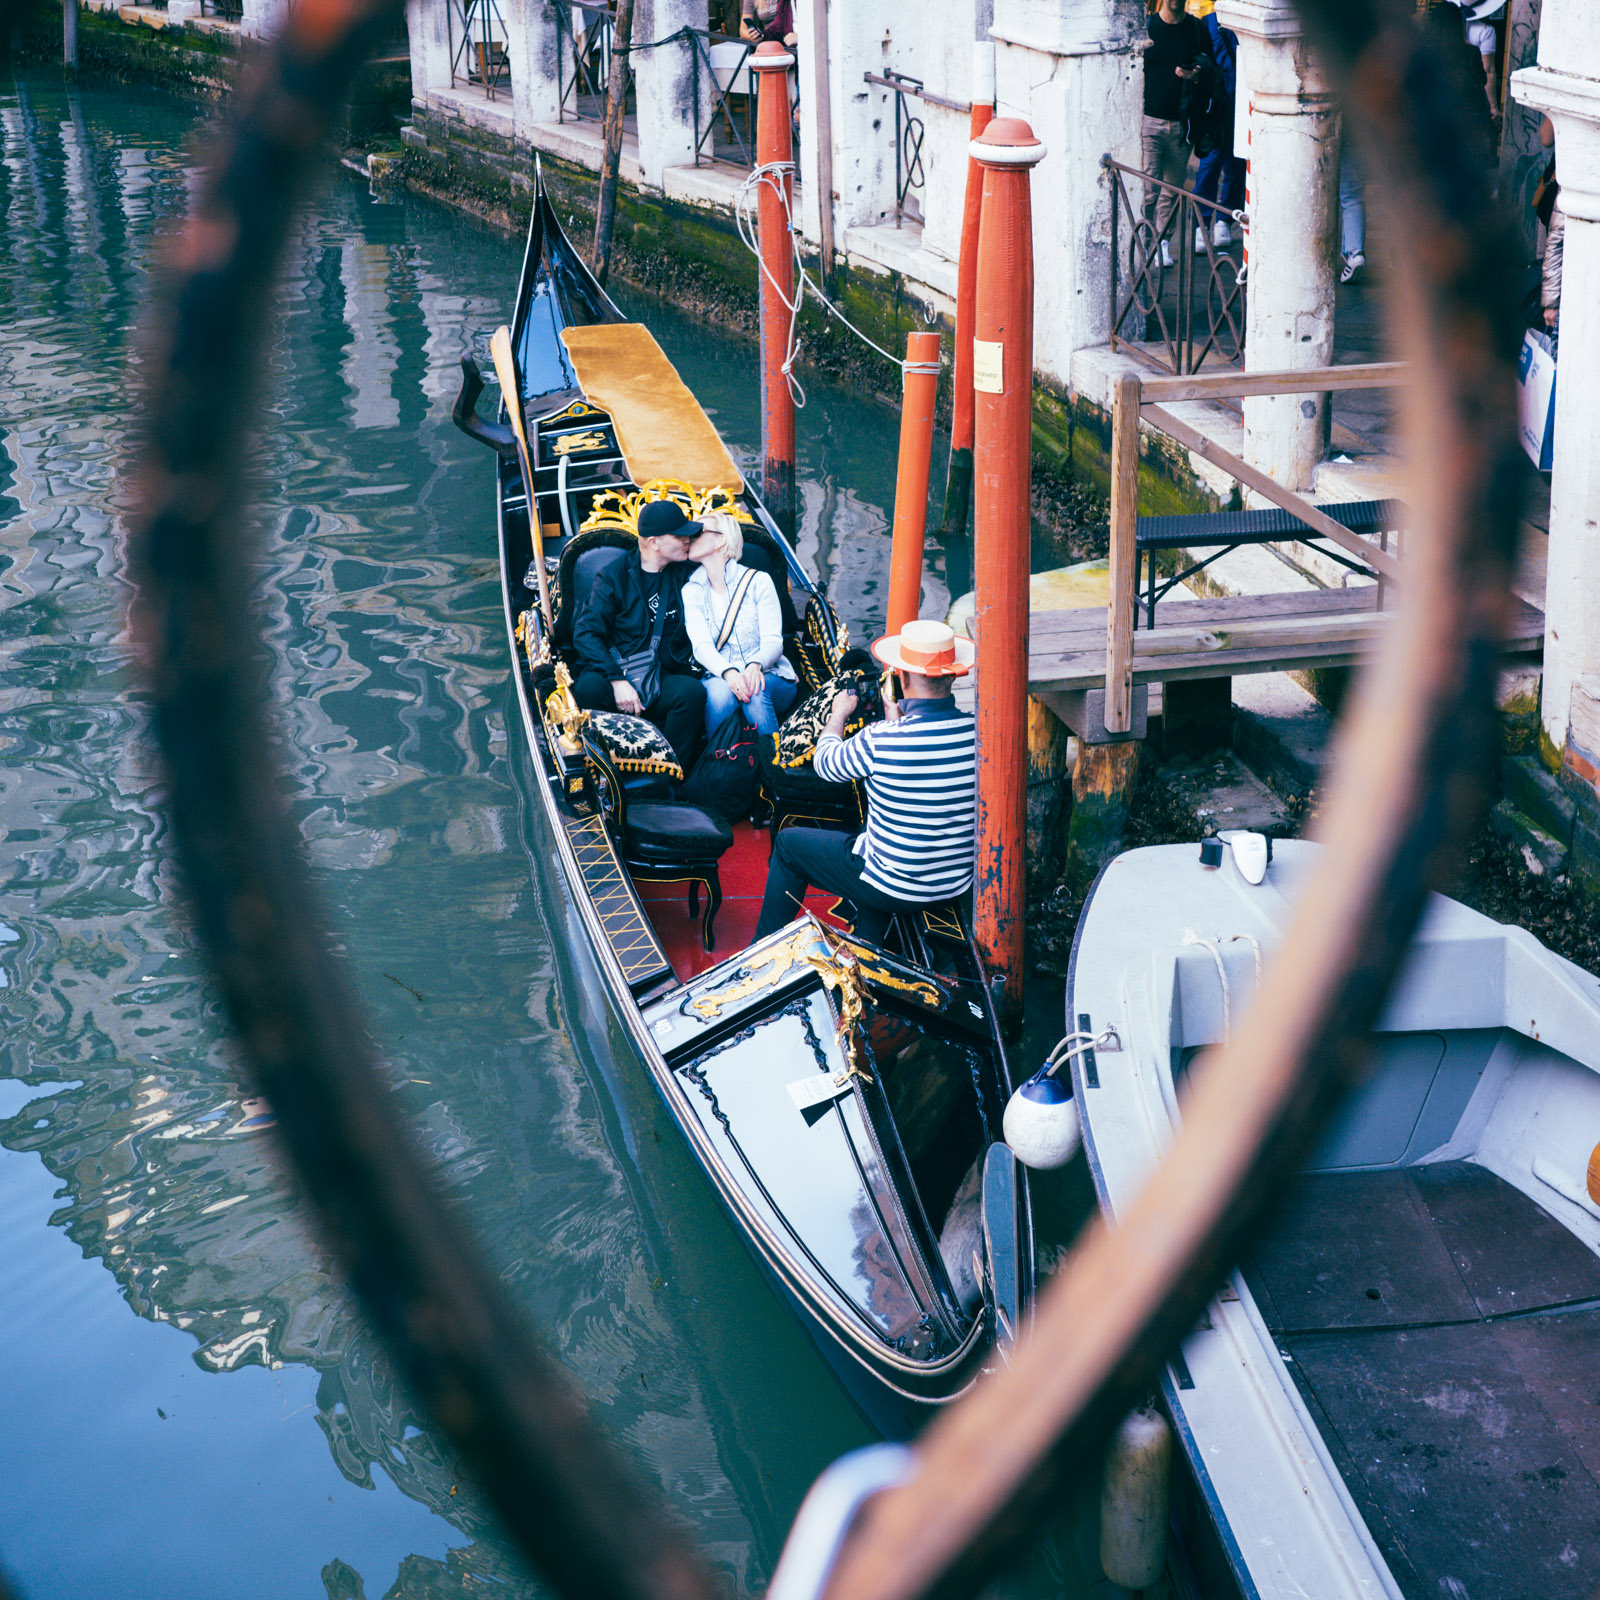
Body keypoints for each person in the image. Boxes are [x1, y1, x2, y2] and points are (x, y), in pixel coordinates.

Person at [753, 619, 977, 948]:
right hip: (952, 882)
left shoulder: (880, 739)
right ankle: (868, 944)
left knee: (788, 845)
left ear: (903, 676)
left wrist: (838, 715)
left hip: (894, 884)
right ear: (952, 677)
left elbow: (825, 763)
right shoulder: (978, 734)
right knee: (877, 841)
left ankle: (761, 952)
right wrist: (895, 722)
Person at [571, 499, 706, 768]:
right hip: (616, 672)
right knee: (587, 688)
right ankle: (603, 770)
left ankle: (672, 775)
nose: (688, 540)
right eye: (680, 536)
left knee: (691, 693)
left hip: (661, 675)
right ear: (654, 542)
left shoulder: (686, 572)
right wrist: (616, 680)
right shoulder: (613, 577)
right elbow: (586, 633)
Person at [684, 511, 800, 738]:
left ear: (721, 540)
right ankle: (721, 765)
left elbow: (773, 641)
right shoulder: (691, 591)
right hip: (719, 676)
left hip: (770, 674)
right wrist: (729, 673)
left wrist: (755, 665)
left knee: (755, 691)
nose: (690, 538)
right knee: (718, 695)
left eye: (698, 532)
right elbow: (701, 647)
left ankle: (772, 764)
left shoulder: (759, 582)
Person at [1142, 0, 1212, 270]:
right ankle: (1144, 240)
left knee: (1172, 189)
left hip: (1183, 124)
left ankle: (1162, 243)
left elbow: (1210, 70)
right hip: (1150, 119)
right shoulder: (1148, 26)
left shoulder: (1196, 29)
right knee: (1149, 187)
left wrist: (1195, 76)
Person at [1187, 0, 1244, 253]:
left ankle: (1224, 220)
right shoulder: (1205, 24)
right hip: (1215, 110)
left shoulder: (1243, 23)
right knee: (1209, 165)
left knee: (1236, 165)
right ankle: (1202, 224)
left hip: (1240, 107)